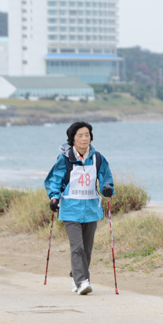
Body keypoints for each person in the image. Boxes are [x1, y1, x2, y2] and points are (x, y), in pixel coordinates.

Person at [45, 120, 114, 295]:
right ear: (73, 139)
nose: (84, 138)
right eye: (80, 135)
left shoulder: (98, 158)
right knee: (77, 247)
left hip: (91, 209)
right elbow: (54, 179)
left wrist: (107, 188)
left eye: (87, 135)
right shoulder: (65, 159)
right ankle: (82, 281)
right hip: (70, 209)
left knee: (87, 249)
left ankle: (77, 276)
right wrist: (54, 198)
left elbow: (106, 177)